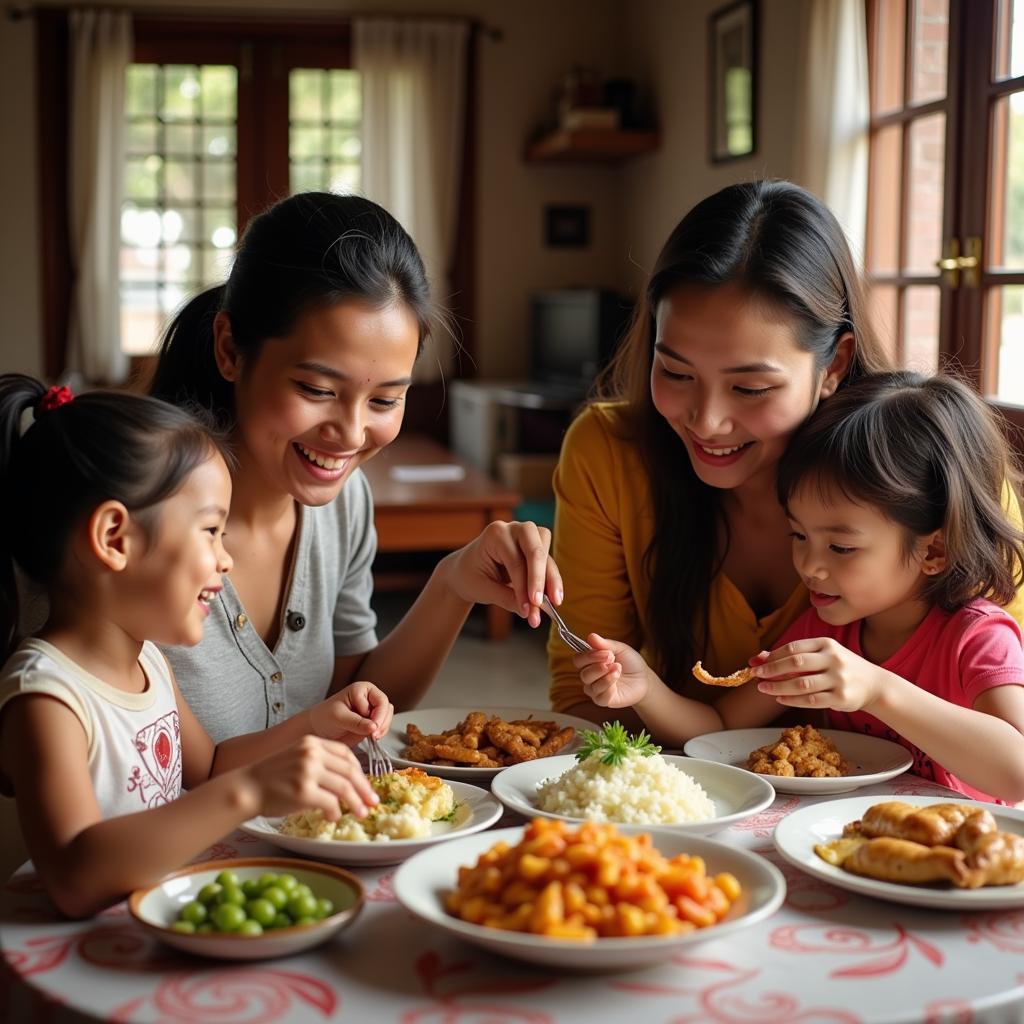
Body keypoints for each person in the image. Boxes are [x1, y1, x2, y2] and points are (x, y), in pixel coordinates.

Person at [548, 179, 1024, 727]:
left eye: (751, 388)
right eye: (675, 372)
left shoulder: (936, 475)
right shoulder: (608, 454)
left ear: (834, 366)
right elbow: (582, 698)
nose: (706, 421)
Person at [148, 192, 560, 742]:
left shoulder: (344, 503)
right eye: (317, 389)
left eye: (386, 400)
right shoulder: (134, 516)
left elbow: (354, 699)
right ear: (230, 349)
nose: (349, 434)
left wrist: (454, 584)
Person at [0, 376, 393, 917]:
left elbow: (209, 769)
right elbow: (75, 876)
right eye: (210, 531)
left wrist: (319, 725)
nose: (225, 559)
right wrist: (250, 792)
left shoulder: (147, 661)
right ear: (114, 538)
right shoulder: (46, 696)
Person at [573, 371, 1024, 804]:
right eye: (799, 536)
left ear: (933, 551)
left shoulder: (977, 637)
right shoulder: (825, 633)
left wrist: (878, 690)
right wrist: (646, 688)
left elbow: (1018, 773)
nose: (809, 566)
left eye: (842, 547)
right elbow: (718, 726)